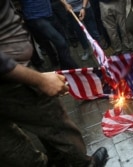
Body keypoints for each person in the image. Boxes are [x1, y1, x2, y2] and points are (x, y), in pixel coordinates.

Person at [0, 0, 108, 166]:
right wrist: (39, 79)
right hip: (11, 78)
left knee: (10, 145)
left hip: (12, 68)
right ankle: (85, 164)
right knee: (56, 124)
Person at [19, 0, 79, 70]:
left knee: (64, 42)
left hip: (49, 14)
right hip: (36, 19)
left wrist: (65, 4)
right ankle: (76, 70)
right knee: (61, 43)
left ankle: (65, 68)